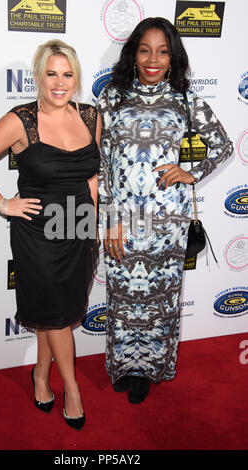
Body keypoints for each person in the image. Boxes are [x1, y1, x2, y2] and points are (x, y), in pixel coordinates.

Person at [0, 39, 101, 429]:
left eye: (68, 74)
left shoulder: (91, 116)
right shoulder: (21, 120)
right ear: (38, 77)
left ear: (76, 77)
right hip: (37, 233)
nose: (60, 83)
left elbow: (90, 176)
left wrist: (91, 228)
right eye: (51, 74)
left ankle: (41, 375)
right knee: (56, 315)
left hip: (76, 226)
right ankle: (72, 390)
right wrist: (3, 204)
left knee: (55, 311)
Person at [96, 17, 233, 404]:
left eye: (162, 51)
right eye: (145, 50)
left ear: (172, 57)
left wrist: (189, 173)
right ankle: (123, 367)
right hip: (122, 220)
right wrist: (108, 218)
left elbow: (222, 146)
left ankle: (150, 371)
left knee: (159, 303)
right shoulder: (112, 96)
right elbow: (100, 161)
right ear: (133, 55)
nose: (153, 59)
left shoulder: (184, 98)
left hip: (166, 223)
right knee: (122, 301)